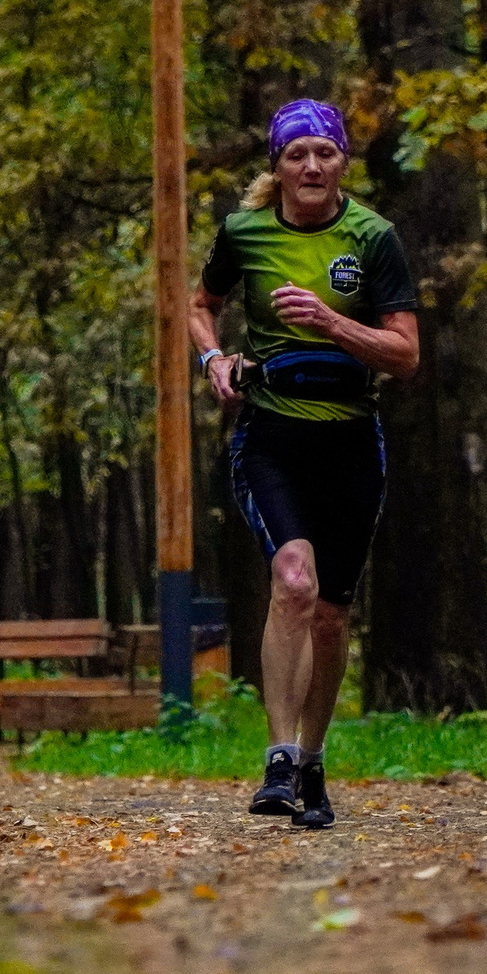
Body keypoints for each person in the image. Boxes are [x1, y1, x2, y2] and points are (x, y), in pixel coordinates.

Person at [188, 99, 419, 830]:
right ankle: (280, 758)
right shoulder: (245, 232)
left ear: (342, 161)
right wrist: (213, 358)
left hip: (350, 438)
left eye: (325, 152)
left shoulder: (374, 237)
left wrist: (330, 321)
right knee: (293, 580)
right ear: (278, 167)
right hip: (271, 434)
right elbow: (199, 304)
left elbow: (405, 353)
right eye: (297, 154)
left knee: (331, 612)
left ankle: (313, 759)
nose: (312, 165)